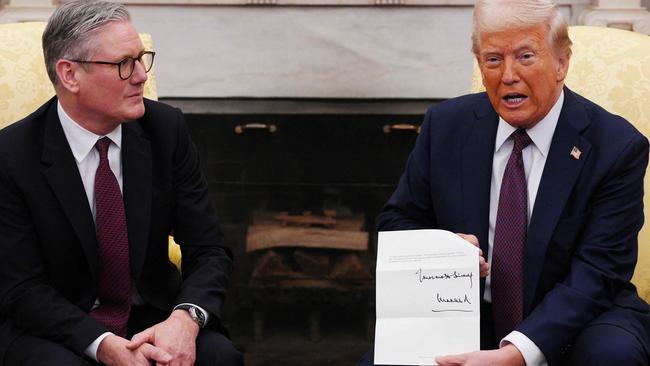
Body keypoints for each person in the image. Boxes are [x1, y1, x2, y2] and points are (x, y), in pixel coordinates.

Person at [359, 0, 650, 365]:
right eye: (493, 59)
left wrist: (518, 353)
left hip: (579, 315)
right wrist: (444, 248)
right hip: (468, 311)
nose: (508, 74)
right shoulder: (445, 126)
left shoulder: (615, 146)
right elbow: (397, 224)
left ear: (561, 63)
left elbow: (600, 270)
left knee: (612, 355)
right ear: (480, 67)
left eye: (526, 57)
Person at [0, 1, 243, 365]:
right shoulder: (11, 155)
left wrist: (184, 319)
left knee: (219, 356)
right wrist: (102, 345)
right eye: (123, 63)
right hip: (56, 324)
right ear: (70, 74)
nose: (142, 75)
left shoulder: (166, 131)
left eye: (142, 58)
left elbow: (208, 248)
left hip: (152, 314)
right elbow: (21, 288)